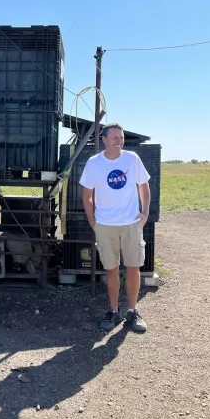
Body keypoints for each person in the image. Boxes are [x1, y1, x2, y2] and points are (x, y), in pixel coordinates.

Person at [79, 122, 151, 333]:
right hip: (105, 224)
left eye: (121, 138)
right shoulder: (94, 163)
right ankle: (113, 311)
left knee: (133, 267)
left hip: (131, 223)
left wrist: (144, 213)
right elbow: (87, 196)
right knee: (110, 268)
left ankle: (132, 311)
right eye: (115, 138)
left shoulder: (132, 159)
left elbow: (144, 186)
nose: (119, 141)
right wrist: (93, 222)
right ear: (104, 140)